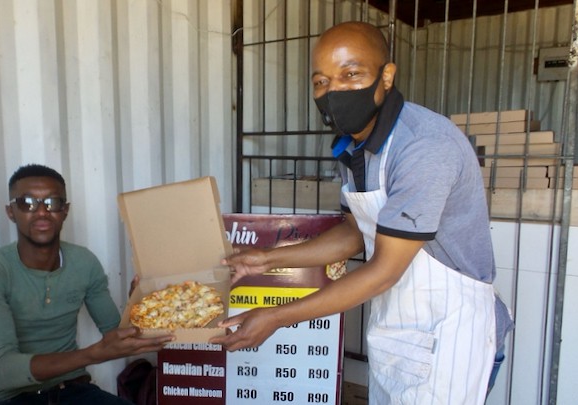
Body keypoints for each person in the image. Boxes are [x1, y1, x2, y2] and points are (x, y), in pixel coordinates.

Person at [211, 22, 513, 404]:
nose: (333, 90)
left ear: (387, 76)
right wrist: (266, 260)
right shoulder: (353, 147)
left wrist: (274, 317)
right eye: (321, 81)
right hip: (398, 327)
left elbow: (384, 269)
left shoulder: (424, 147)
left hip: (450, 331)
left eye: (351, 74)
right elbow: (354, 234)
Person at [0, 164, 174, 405]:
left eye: (52, 203)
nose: (42, 212)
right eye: (27, 203)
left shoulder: (84, 262)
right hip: (13, 398)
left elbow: (116, 334)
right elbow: (4, 371)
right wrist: (91, 355)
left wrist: (141, 306)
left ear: (65, 210)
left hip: (74, 391)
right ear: (11, 211)